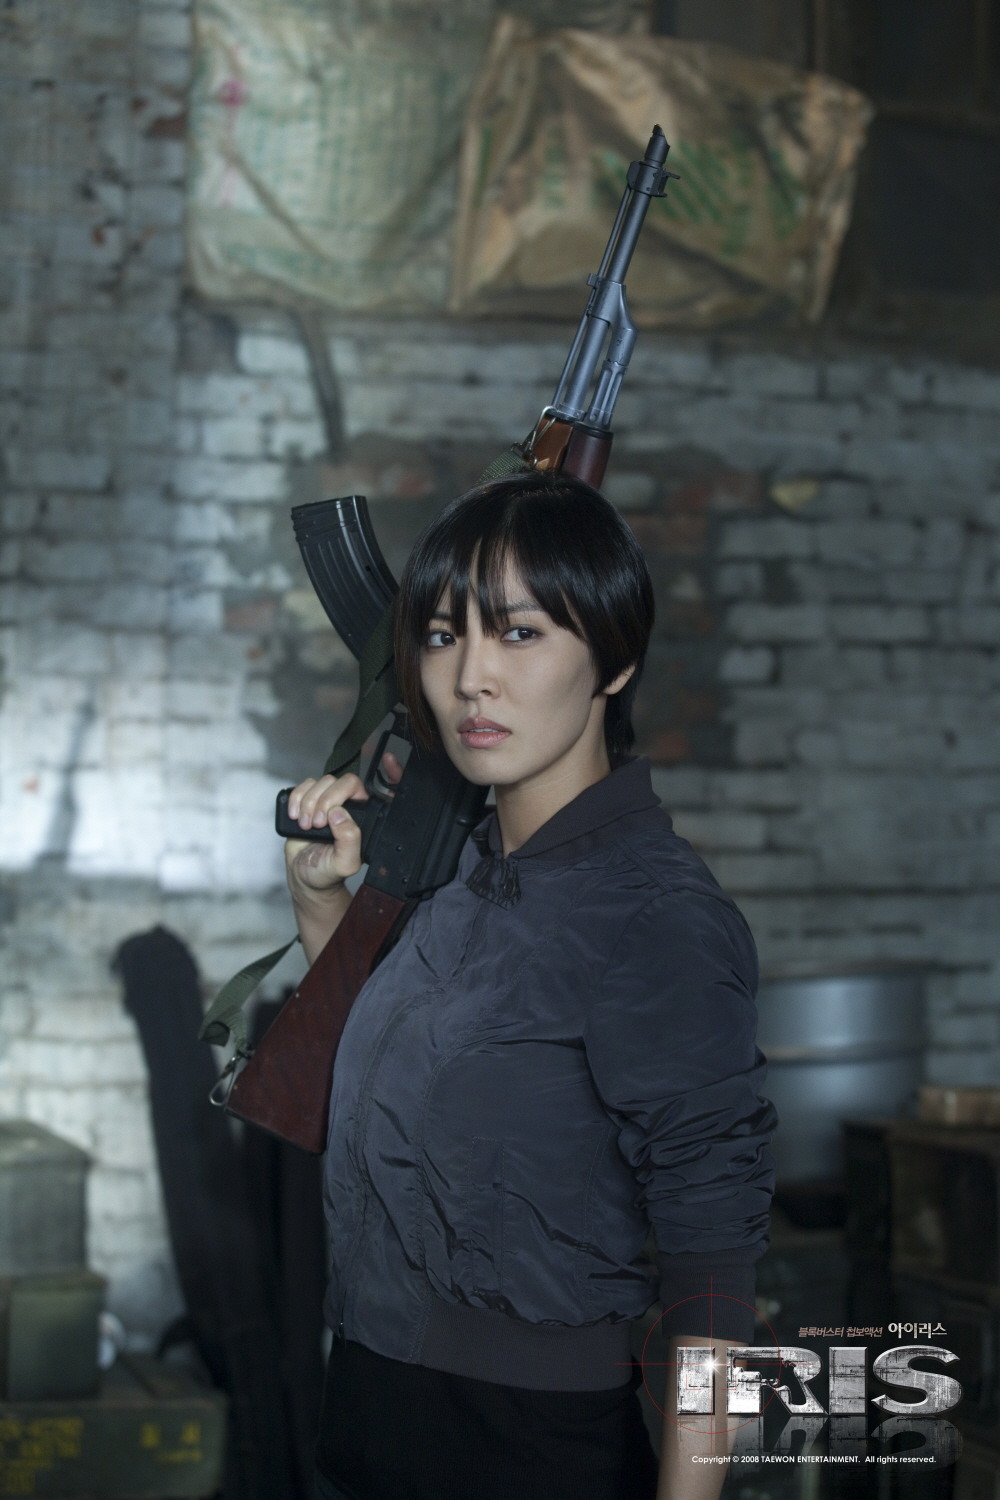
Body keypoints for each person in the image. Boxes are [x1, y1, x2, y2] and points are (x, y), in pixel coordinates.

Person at [283, 470, 776, 1500]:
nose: (471, 678)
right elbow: (369, 1117)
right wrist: (322, 903)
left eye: (519, 634)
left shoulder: (657, 920)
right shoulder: (458, 876)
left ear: (614, 659)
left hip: (524, 1448)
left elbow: (713, 1283)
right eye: (440, 636)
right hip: (361, 1414)